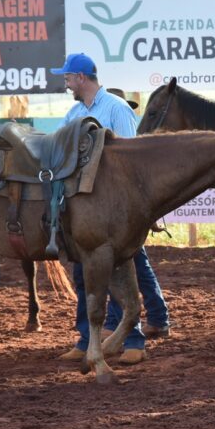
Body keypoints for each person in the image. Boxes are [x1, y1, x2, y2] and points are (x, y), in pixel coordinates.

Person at [50, 53, 171, 366]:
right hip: (88, 210)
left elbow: (133, 158)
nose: (66, 84)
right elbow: (58, 151)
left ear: (81, 77)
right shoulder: (76, 112)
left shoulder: (116, 108)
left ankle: (133, 338)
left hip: (118, 213)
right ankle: (89, 339)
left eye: (68, 78)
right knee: (87, 275)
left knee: (121, 271)